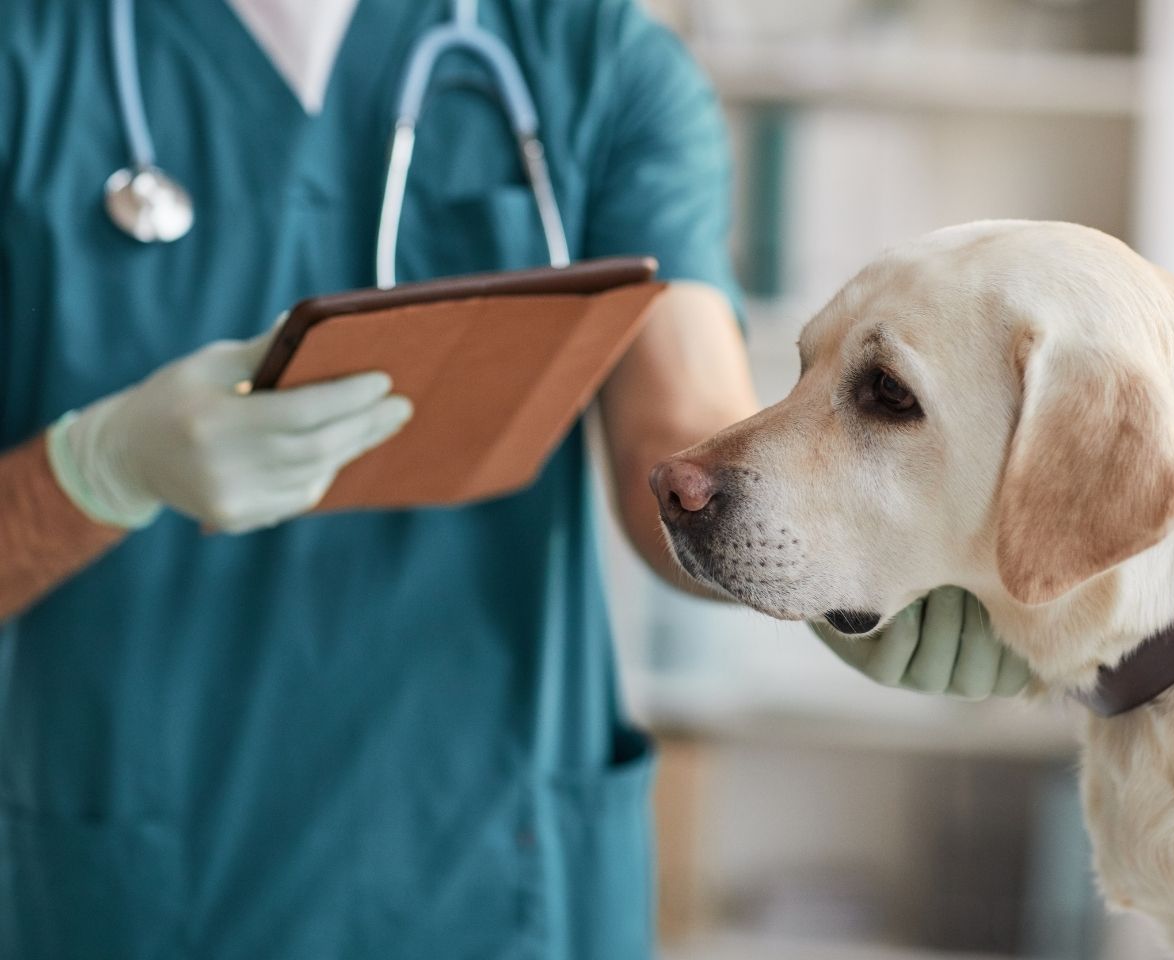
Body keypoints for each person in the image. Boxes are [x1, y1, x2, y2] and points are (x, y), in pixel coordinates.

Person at [0, 1, 1026, 957]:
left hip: (501, 879)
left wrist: (813, 543)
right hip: (136, 883)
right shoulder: (31, 60)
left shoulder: (592, 63)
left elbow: (674, 443)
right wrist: (95, 471)